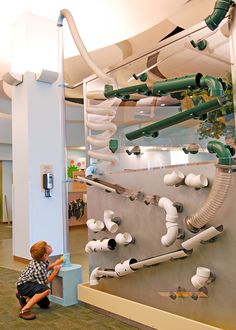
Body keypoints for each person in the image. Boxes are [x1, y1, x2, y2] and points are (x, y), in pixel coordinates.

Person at [16, 240, 64, 320]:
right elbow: (46, 282)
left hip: (29, 284)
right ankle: (25, 310)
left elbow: (45, 269)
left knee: (45, 304)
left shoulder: (41, 261)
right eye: (48, 246)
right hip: (24, 285)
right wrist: (55, 271)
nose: (50, 245)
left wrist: (55, 263)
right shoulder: (39, 268)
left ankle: (22, 296)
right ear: (45, 255)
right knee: (46, 290)